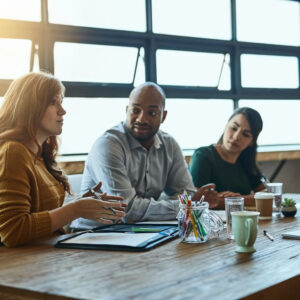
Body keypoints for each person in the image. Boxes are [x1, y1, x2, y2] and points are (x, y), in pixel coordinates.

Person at [0, 72, 125, 247]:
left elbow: (41, 212)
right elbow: (12, 231)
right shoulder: (12, 152)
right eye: (53, 102)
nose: (63, 110)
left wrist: (82, 201)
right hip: (22, 266)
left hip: (47, 258)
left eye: (61, 102)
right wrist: (76, 209)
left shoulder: (41, 154)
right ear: (29, 107)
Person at [77, 82, 216, 228]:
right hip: (93, 236)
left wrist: (186, 203)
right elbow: (127, 210)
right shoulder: (108, 145)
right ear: (126, 110)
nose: (141, 119)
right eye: (135, 110)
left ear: (163, 116)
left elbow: (186, 193)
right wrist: (185, 205)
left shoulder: (169, 144)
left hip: (141, 231)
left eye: (152, 113)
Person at [189, 107, 265, 209]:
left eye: (246, 134)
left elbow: (267, 195)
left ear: (252, 142)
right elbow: (198, 201)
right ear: (225, 126)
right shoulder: (203, 155)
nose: (236, 136)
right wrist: (244, 200)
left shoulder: (246, 161)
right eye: (233, 128)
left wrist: (237, 199)